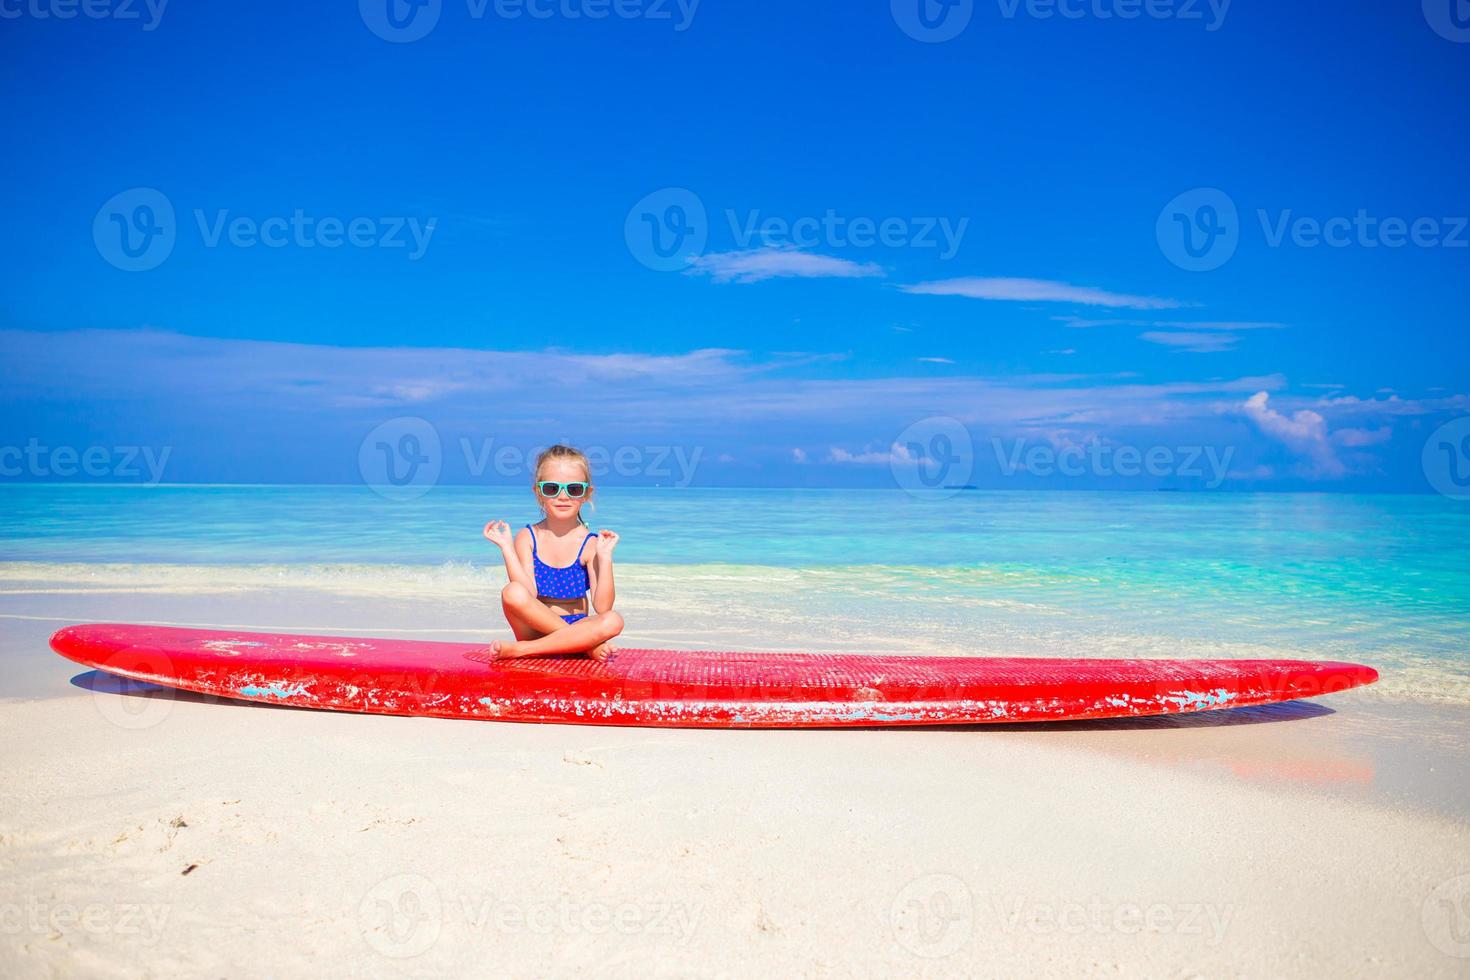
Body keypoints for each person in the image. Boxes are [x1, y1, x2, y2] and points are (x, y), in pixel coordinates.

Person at [481, 444, 623, 661]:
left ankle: (523, 650)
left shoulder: (590, 543)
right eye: (552, 489)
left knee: (614, 620)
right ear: (539, 493)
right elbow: (526, 593)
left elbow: (603, 607)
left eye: (574, 489)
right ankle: (583, 647)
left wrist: (605, 558)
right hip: (535, 630)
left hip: (577, 626)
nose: (563, 496)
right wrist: (507, 548)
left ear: (586, 494)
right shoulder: (528, 537)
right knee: (511, 592)